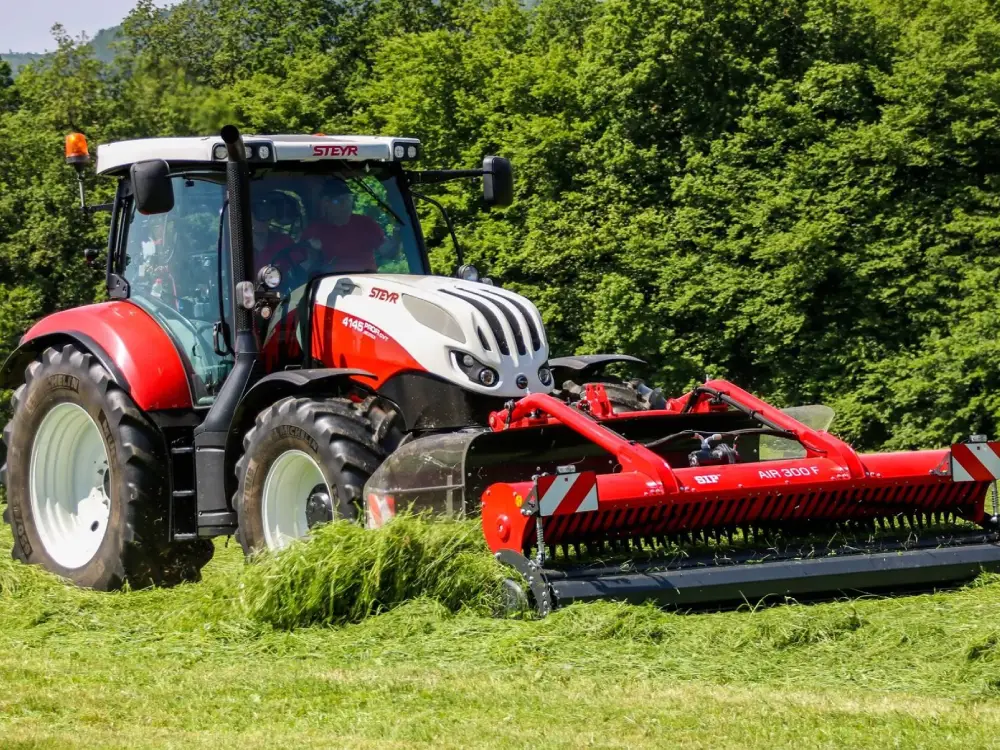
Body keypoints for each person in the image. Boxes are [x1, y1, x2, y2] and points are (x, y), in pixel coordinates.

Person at [297, 179, 384, 273]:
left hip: (367, 281)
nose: (347, 206)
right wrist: (313, 252)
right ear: (326, 203)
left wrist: (397, 235)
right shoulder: (313, 231)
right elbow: (303, 269)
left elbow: (388, 252)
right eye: (340, 201)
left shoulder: (365, 223)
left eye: (349, 200)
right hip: (329, 284)